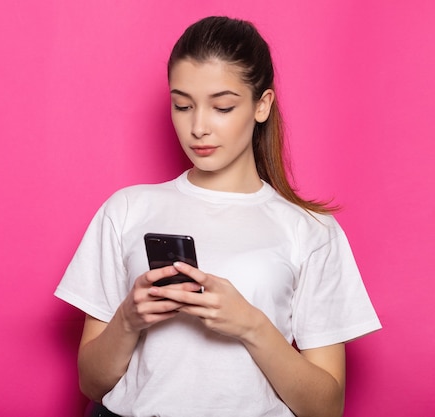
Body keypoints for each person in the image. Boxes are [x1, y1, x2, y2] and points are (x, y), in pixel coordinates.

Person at [55, 16, 381, 417]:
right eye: (182, 105)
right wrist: (128, 318)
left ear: (261, 106)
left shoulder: (310, 230)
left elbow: (327, 408)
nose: (198, 127)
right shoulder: (125, 209)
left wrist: (250, 324)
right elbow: (91, 383)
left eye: (222, 107)